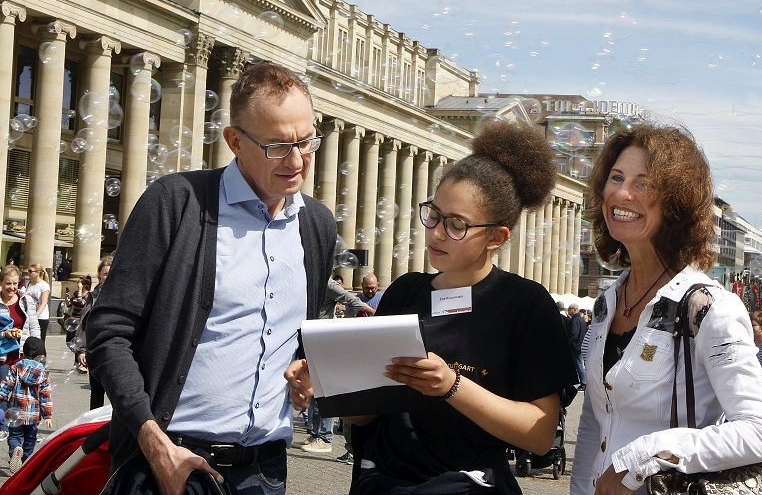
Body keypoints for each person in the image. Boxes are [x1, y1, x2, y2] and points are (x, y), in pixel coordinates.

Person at [87, 62, 336, 495]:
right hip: (172, 464)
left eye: (307, 140)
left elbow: (296, 335)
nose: (297, 161)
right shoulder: (176, 203)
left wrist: (305, 366)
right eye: (278, 146)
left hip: (265, 468)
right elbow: (108, 330)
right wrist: (153, 441)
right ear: (235, 141)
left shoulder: (317, 225)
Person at [296, 119, 576, 493]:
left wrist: (451, 385)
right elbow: (366, 414)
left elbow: (540, 435)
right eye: (434, 215)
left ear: (497, 236)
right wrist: (328, 383)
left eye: (457, 224)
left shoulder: (524, 303)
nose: (437, 233)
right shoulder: (405, 291)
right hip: (384, 482)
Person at [571, 123, 762, 494]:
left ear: (676, 203)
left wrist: (639, 459)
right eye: (616, 177)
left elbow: (761, 433)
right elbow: (595, 420)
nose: (621, 193)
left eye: (643, 183)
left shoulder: (708, 308)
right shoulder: (607, 303)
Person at [301, 278, 369, 455]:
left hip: (325, 341)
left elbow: (354, 303)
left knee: (326, 392)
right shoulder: (312, 281)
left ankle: (325, 438)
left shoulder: (327, 284)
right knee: (316, 393)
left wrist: (340, 323)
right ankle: (317, 433)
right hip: (313, 340)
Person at [0, 336, 52, 474]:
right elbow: (45, 395)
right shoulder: (43, 373)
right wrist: (48, 415)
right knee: (31, 439)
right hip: (33, 416)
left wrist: (1, 396)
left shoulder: (16, 367)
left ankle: (15, 449)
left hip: (15, 412)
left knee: (14, 436)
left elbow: (7, 385)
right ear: (42, 355)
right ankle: (26, 462)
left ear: (23, 353)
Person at [77, 256, 113, 408]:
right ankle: (94, 428)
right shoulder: (93, 297)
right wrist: (81, 349)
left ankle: (116, 428)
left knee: (118, 393)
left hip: (116, 349)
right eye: (105, 273)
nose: (108, 276)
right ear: (99, 275)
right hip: (96, 348)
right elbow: (84, 323)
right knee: (97, 392)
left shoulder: (124, 295)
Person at [0, 266, 40, 383]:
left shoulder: (26, 300)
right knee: (2, 396)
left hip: (23, 356)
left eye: (15, 283)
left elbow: (34, 327)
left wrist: (36, 350)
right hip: (3, 358)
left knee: (21, 398)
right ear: (1, 283)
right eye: (8, 283)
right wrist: (4, 334)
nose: (12, 287)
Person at [24, 264, 49, 355]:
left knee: (40, 342)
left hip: (41, 317)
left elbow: (43, 303)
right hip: (29, 315)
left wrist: (35, 316)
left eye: (30, 271)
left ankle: (42, 363)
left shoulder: (44, 285)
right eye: (28, 271)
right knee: (30, 342)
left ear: (38, 273)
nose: (28, 273)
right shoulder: (29, 283)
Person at [567, 303, 587, 390]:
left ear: (574, 310)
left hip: (576, 346)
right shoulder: (581, 319)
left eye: (569, 309)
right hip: (581, 345)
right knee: (581, 364)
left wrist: (569, 343)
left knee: (579, 365)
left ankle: (583, 383)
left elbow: (573, 334)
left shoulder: (574, 320)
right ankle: (584, 382)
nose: (568, 311)